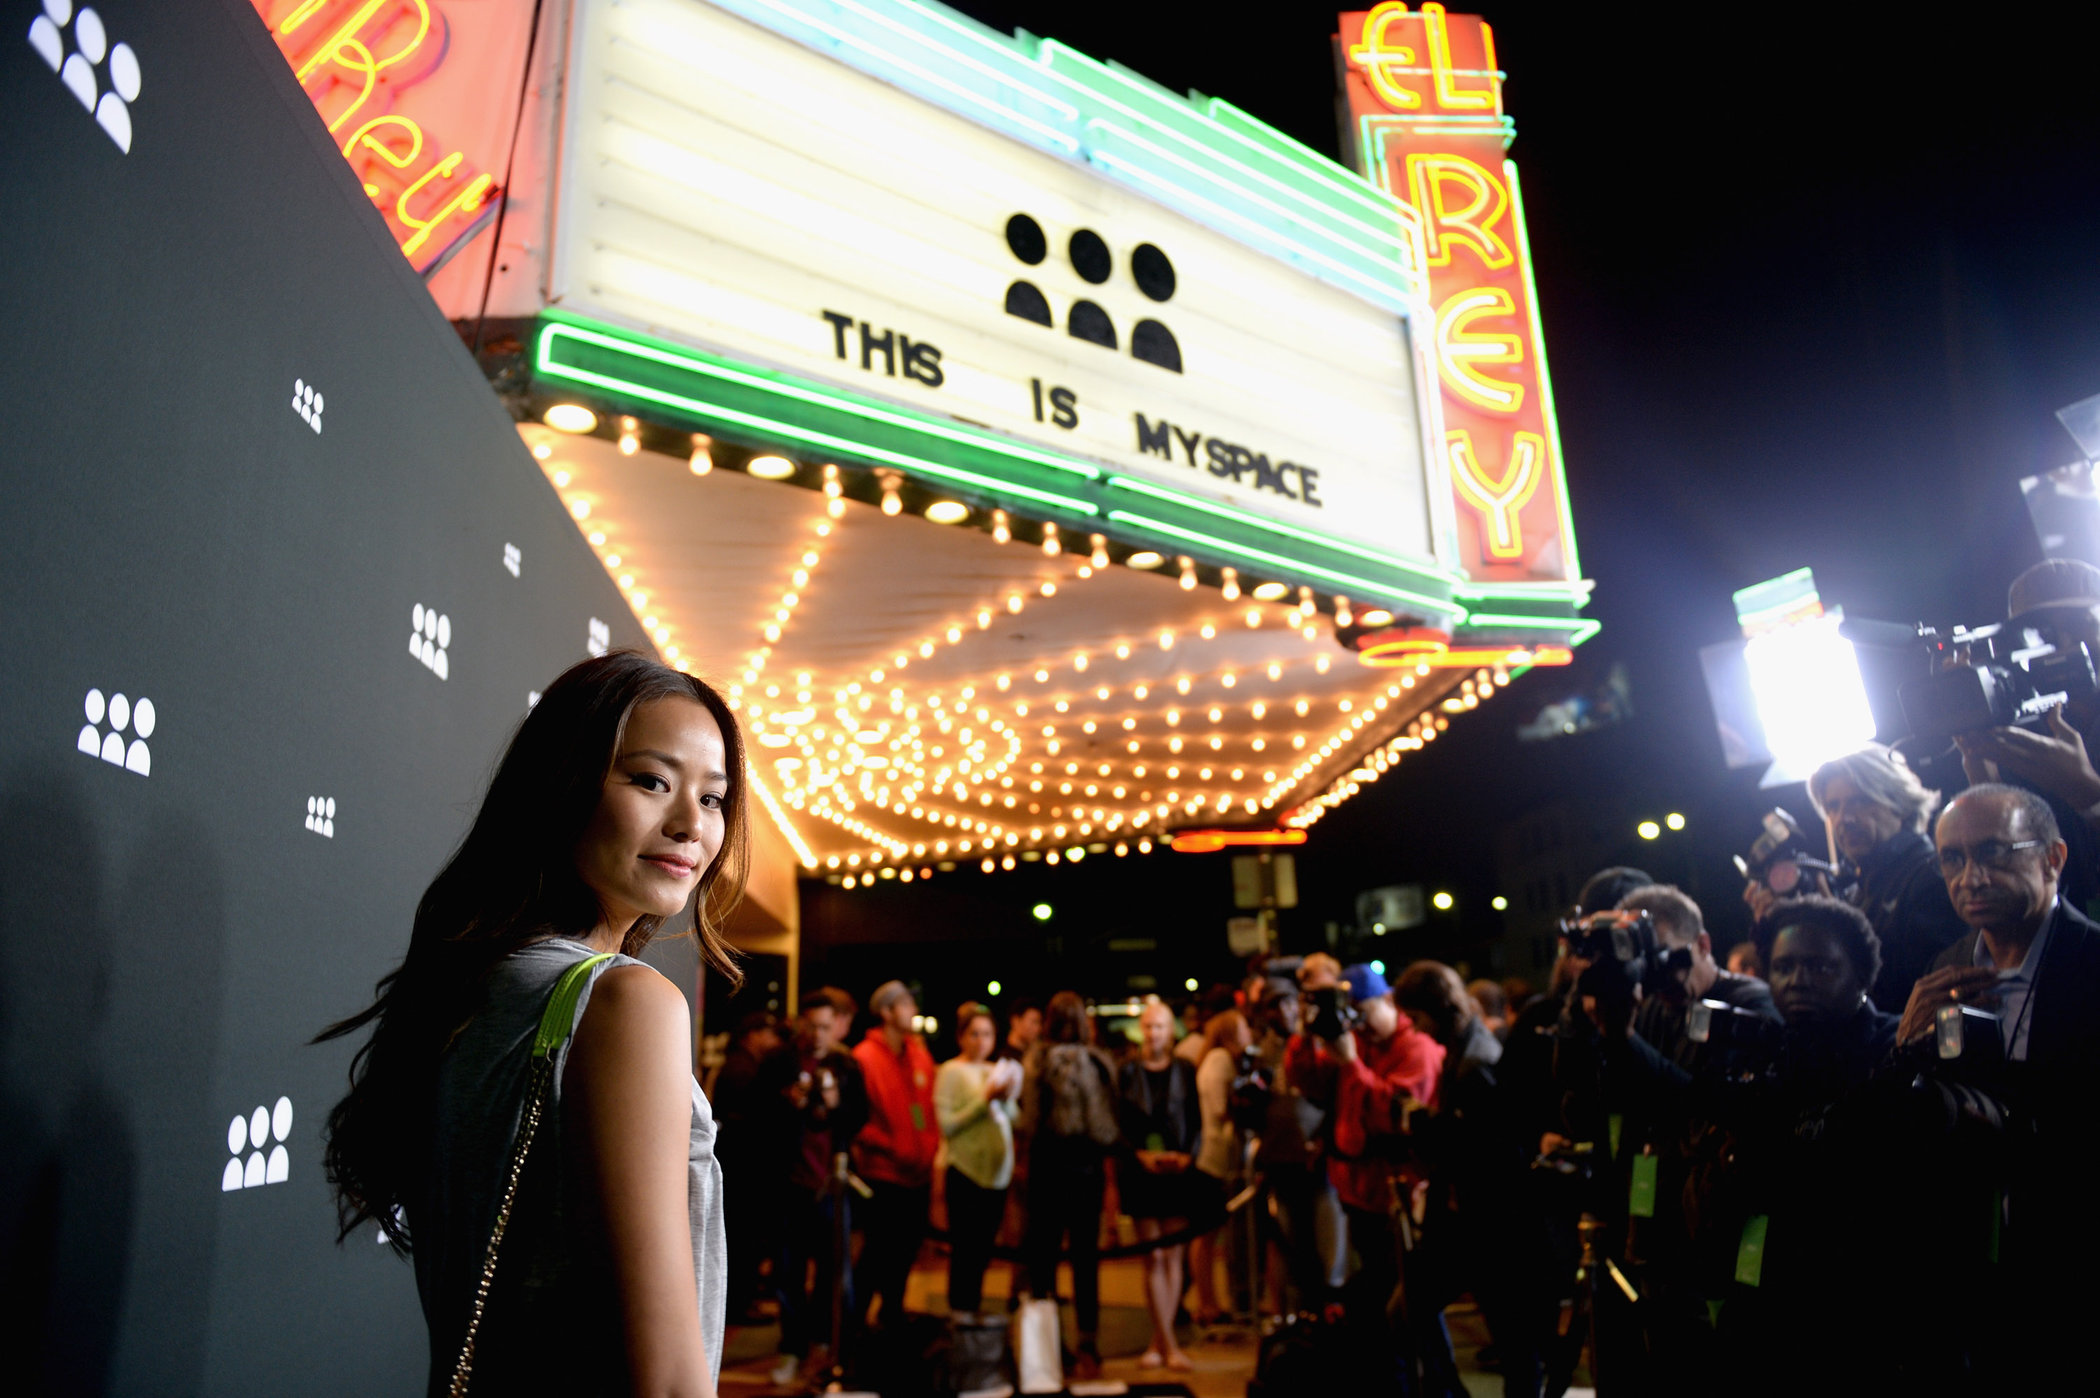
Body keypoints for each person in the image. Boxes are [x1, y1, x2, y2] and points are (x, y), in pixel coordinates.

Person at [316, 651, 745, 1397]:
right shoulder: (627, 1004)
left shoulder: (470, 988)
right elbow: (669, 1382)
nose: (690, 826)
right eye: (650, 780)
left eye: (713, 799)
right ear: (564, 784)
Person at [1897, 783, 2100, 1374]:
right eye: (1952, 859)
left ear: (2052, 858)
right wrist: (1905, 1045)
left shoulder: (2091, 961)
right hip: (1972, 1264)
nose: (1971, 878)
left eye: (1993, 853)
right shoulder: (1944, 967)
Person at [1393, 962, 1549, 1398]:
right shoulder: (1466, 1048)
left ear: (1435, 1008)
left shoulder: (1475, 1060)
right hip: (1476, 1220)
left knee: (1512, 1338)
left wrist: (1429, 1128)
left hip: (1488, 1222)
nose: (1415, 1027)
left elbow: (1486, 1148)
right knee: (1506, 1336)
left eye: (1417, 1016)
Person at [1288, 964, 1443, 1390]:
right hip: (1358, 1194)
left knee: (1404, 1307)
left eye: (1364, 1011)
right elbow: (1308, 1082)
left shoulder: (1417, 1048)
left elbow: (1396, 1115)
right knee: (1376, 1308)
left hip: (1400, 1200)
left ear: (1388, 1001)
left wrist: (1352, 1063)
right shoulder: (1358, 1043)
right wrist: (1308, 1034)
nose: (1358, 1023)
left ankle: (1424, 1384)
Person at [1950, 558, 2100, 914]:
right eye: (2045, 632)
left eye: (2080, 625)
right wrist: (1982, 774)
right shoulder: (2032, 736)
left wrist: (2089, 796)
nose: (2065, 644)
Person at [755, 988, 867, 1384]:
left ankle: (823, 1346)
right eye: (812, 1026)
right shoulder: (779, 1063)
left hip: (832, 1186)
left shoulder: (847, 1066)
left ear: (835, 1027)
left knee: (832, 1274)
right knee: (788, 1273)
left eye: (825, 1027)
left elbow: (857, 1119)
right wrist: (786, 1101)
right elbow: (758, 1116)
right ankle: (791, 1348)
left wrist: (836, 1105)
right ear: (802, 1024)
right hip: (790, 1184)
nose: (818, 1035)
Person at [1018, 991, 1121, 1379]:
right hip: (1087, 1167)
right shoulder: (1098, 1060)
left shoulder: (1039, 1059)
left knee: (1043, 1260)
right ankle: (1089, 1345)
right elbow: (1108, 1123)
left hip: (1047, 1165)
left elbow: (1029, 1120)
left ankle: (1046, 1347)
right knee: (1085, 1261)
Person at [1116, 998, 1205, 1370]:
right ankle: (1168, 1343)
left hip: (1178, 1171)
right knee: (1152, 1256)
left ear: (1172, 1031)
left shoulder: (1184, 1070)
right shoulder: (1126, 1072)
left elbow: (1197, 1120)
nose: (1154, 1034)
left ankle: (1160, 1340)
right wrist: (1139, 1156)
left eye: (1160, 1026)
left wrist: (1187, 1156)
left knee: (1174, 1257)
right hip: (1141, 1173)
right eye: (1148, 1027)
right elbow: (1118, 1122)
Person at [851, 980, 941, 1332]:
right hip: (883, 1176)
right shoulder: (864, 1057)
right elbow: (858, 1120)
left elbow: (928, 1111)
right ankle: (853, 1332)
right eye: (905, 1004)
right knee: (875, 1257)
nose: (913, 1011)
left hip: (917, 1176)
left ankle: (892, 1319)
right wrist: (892, 1146)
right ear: (887, 1012)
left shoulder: (919, 1053)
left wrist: (928, 1147)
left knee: (905, 1254)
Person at [1620, 885, 1778, 1070]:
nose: (1659, 978)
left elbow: (1706, 1097)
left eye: (1665, 960)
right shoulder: (1651, 1007)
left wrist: (1624, 1037)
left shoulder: (1752, 1004)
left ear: (1703, 945)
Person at [935, 1002, 1022, 1319]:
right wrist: (982, 1101)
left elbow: (1012, 1118)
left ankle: (972, 1309)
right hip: (966, 1171)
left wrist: (1007, 1096)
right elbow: (947, 1125)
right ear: (961, 1037)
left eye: (987, 1034)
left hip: (996, 1174)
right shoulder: (951, 1071)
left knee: (984, 1249)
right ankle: (961, 1312)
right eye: (974, 1034)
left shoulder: (993, 1069)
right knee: (965, 1249)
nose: (981, 1041)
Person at [714, 1010, 783, 1324]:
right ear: (751, 1035)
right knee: (742, 1239)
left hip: (740, 1166)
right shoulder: (742, 1068)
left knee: (743, 1238)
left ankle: (741, 1302)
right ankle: (738, 1306)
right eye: (766, 1033)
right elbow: (750, 1119)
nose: (772, 1040)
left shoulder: (746, 1064)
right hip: (742, 1168)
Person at [1191, 1007, 1252, 1325]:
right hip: (1217, 1159)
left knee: (1207, 1235)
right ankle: (1208, 1301)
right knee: (1207, 1236)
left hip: (1214, 1156)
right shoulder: (1221, 1060)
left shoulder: (1214, 1059)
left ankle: (1210, 1299)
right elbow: (1220, 1109)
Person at [997, 998, 1042, 1063]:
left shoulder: (1034, 1057)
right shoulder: (1001, 1058)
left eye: (1039, 1023)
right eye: (1034, 1022)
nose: (1038, 1028)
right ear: (1016, 1021)